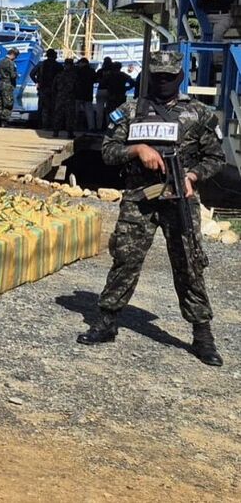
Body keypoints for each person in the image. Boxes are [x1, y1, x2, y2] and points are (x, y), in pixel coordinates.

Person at [77, 50, 225, 367]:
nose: (163, 82)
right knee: (126, 259)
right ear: (150, 76)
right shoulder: (131, 111)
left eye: (169, 77)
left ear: (180, 77)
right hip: (140, 197)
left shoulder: (198, 113)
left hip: (180, 199)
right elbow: (108, 151)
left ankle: (202, 335)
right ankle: (105, 322)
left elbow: (215, 158)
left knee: (189, 264)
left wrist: (192, 176)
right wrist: (137, 149)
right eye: (158, 77)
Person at [29, 48, 61, 129]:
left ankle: (40, 125)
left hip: (42, 89)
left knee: (41, 107)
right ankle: (52, 125)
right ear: (54, 56)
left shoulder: (41, 64)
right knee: (53, 108)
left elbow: (32, 73)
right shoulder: (58, 66)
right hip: (54, 90)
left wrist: (36, 82)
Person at [50, 57, 78, 138]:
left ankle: (55, 132)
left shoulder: (58, 75)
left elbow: (53, 87)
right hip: (70, 97)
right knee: (70, 116)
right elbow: (77, 88)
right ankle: (70, 133)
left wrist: (56, 95)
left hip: (60, 97)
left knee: (58, 115)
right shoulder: (74, 76)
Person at [74, 57, 96, 131]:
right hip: (88, 94)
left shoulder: (78, 71)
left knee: (75, 112)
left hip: (78, 94)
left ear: (83, 63)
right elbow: (95, 80)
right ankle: (91, 127)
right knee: (89, 112)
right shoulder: (92, 71)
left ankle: (74, 126)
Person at [94, 56, 113, 132]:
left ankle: (99, 127)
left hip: (101, 90)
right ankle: (109, 127)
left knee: (99, 110)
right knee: (109, 111)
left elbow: (96, 80)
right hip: (110, 91)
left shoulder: (100, 71)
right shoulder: (113, 72)